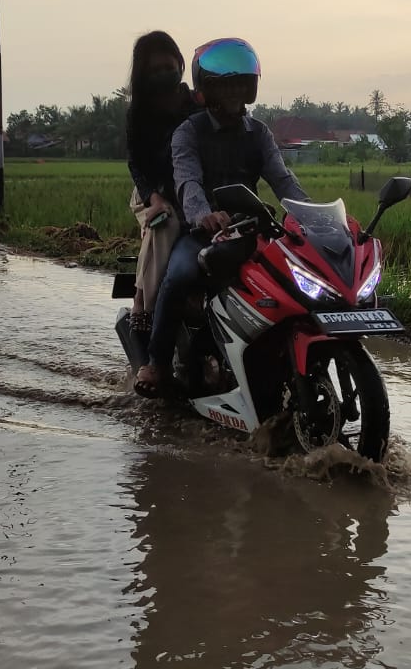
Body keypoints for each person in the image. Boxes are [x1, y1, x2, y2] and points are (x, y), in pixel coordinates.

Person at [135, 37, 309, 398]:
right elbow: (187, 180)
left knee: (288, 286)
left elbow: (283, 181)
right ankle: (156, 362)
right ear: (207, 88)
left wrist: (315, 217)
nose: (233, 91)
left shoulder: (259, 133)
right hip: (202, 234)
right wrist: (203, 215)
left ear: (250, 87)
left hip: (249, 232)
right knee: (179, 275)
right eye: (224, 83)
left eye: (239, 83)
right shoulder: (189, 131)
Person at [125, 31, 202, 336]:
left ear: (180, 64)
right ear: (143, 74)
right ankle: (144, 304)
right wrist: (152, 197)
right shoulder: (139, 113)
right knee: (165, 222)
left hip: (191, 187)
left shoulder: (194, 103)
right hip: (152, 190)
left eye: (167, 67)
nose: (163, 75)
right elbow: (136, 163)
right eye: (154, 71)